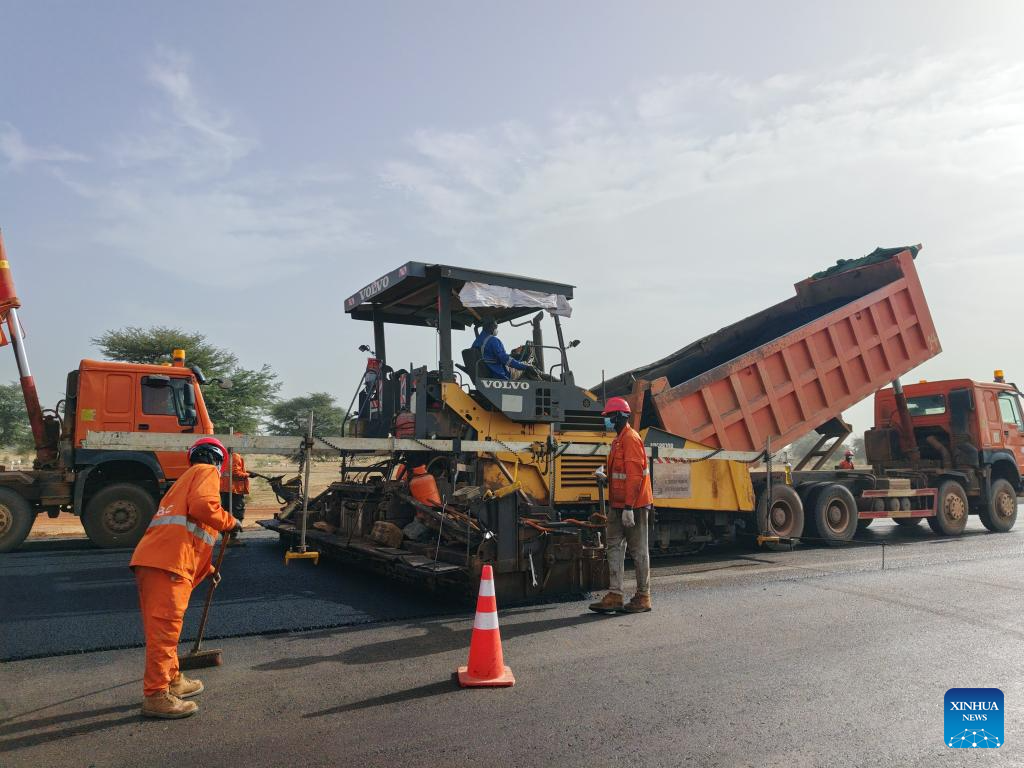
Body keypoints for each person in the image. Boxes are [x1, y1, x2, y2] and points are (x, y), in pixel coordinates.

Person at [130, 437, 241, 719]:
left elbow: (190, 534)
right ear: (218, 461)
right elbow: (203, 508)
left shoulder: (182, 482)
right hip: (167, 564)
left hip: (162, 561)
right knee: (164, 633)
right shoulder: (206, 471)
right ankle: (156, 695)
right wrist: (230, 522)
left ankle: (173, 680)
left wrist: (209, 570)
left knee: (167, 631)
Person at [589, 397, 653, 615]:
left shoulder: (631, 439)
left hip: (633, 505)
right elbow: (622, 475)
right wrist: (605, 478)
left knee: (638, 550)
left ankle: (643, 596)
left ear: (618, 416)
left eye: (608, 416)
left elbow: (634, 477)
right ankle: (615, 595)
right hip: (618, 505)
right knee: (614, 546)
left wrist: (628, 507)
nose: (606, 420)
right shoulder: (618, 441)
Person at [472, 319, 536, 380]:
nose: (496, 329)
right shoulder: (493, 340)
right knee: (529, 366)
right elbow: (504, 358)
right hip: (498, 373)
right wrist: (525, 367)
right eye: (495, 326)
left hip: (487, 371)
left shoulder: (476, 342)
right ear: (490, 326)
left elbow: (491, 355)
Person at [219, 439, 250, 546]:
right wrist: (248, 475)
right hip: (234, 490)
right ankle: (232, 538)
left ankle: (225, 538)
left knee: (226, 512)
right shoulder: (235, 456)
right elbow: (235, 473)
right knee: (237, 513)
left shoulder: (224, 456)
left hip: (225, 489)